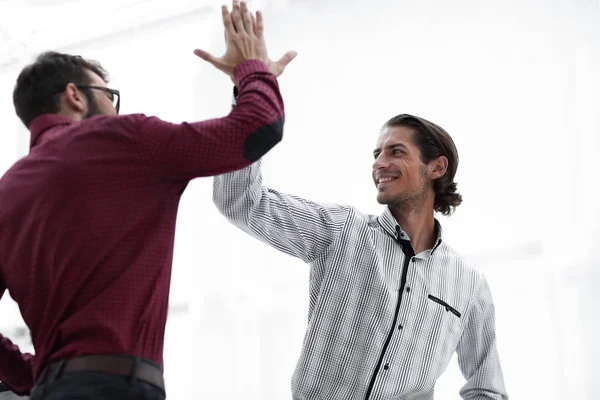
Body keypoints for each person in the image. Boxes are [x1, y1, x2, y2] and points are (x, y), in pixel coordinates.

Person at [0, 2, 296, 399]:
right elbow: (259, 125)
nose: (112, 107)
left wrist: (34, 377)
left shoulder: (7, 192)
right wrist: (252, 69)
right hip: (118, 388)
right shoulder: (123, 140)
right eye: (108, 95)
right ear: (74, 95)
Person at [213, 112, 509, 398]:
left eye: (396, 152)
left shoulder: (470, 285)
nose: (379, 164)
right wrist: (251, 106)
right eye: (376, 154)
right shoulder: (342, 231)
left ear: (436, 167)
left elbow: (487, 390)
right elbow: (241, 201)